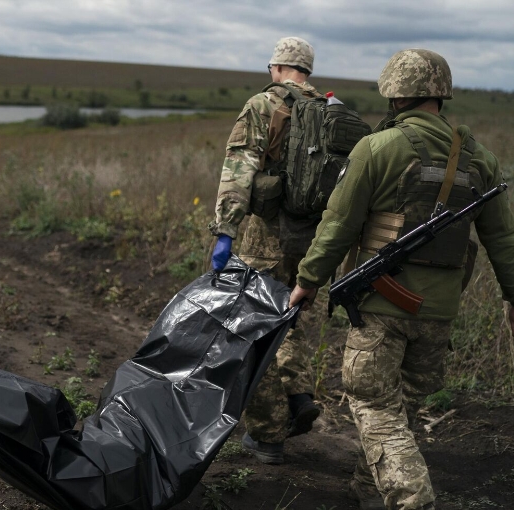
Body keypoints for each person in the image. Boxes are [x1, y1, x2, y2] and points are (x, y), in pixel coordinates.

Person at [288, 49, 514, 509]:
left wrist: (307, 281)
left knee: (374, 406)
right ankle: (368, 490)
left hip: (382, 310)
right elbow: (503, 238)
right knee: (397, 410)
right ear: (441, 95)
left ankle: (412, 500)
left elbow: (338, 225)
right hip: (439, 313)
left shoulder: (378, 147)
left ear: (393, 94)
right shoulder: (481, 159)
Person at [208, 36, 323, 464]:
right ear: (307, 70)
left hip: (266, 238)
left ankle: (268, 432)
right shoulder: (330, 111)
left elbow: (239, 168)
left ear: (275, 67)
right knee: (287, 320)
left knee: (249, 327)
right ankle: (297, 394)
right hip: (313, 242)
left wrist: (225, 232)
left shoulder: (262, 105)